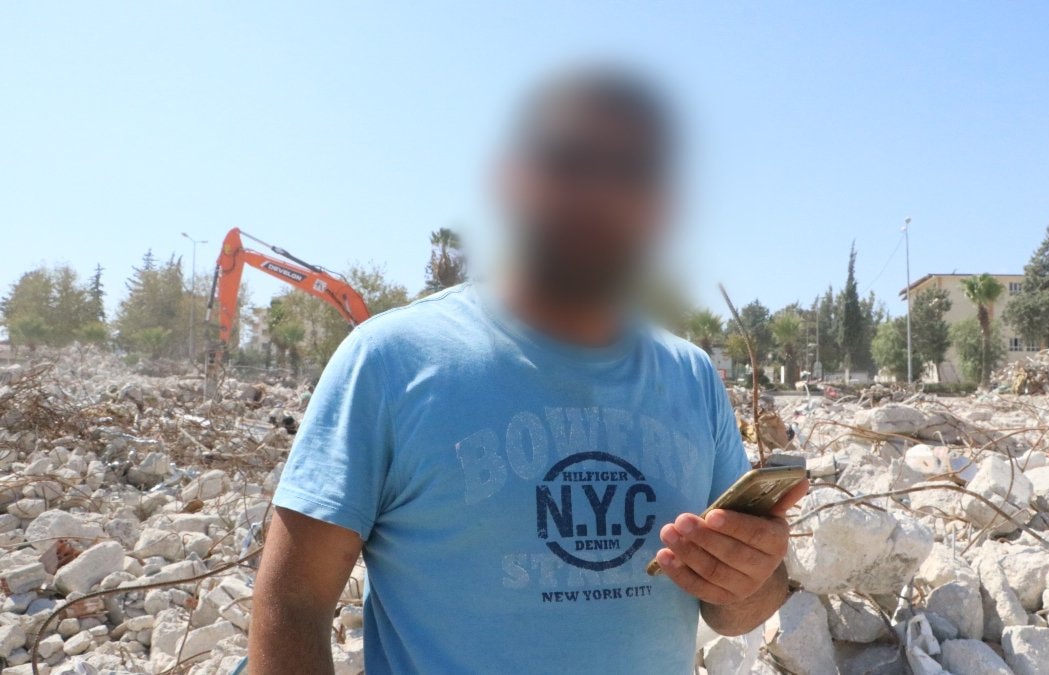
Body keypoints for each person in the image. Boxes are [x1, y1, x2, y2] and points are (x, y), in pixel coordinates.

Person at [248, 65, 808, 674]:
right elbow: (292, 605)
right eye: (571, 162)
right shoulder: (388, 363)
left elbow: (738, 610)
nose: (600, 196)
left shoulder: (691, 377)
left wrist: (750, 576)